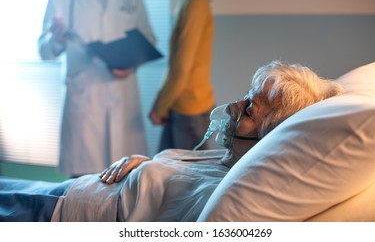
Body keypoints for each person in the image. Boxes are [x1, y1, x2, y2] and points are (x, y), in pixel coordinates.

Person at [0, 61, 344, 222]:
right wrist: (146, 162)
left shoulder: (237, 190)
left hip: (68, 212)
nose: (234, 107)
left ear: (268, 136)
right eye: (246, 96)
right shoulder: (226, 159)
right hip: (78, 192)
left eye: (250, 109)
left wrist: (148, 171)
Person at [37, 0, 156, 177]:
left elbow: (148, 38)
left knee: (126, 186)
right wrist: (56, 40)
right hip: (85, 105)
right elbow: (44, 51)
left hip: (123, 98)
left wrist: (131, 63)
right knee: (83, 190)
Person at [149, 0, 216, 151]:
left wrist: (161, 106)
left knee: (187, 177)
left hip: (190, 109)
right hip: (180, 104)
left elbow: (181, 68)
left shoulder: (195, 4)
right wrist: (161, 102)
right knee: (164, 171)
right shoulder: (187, 2)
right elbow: (175, 65)